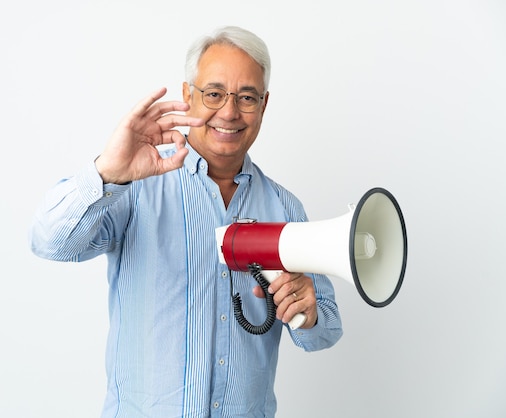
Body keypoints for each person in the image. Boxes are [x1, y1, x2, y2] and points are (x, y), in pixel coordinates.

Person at [30, 26, 343, 418]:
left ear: (263, 106)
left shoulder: (285, 208)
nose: (229, 112)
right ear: (188, 96)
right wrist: (108, 173)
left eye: (246, 97)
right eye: (213, 94)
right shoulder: (136, 185)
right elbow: (49, 242)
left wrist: (309, 313)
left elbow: (325, 332)